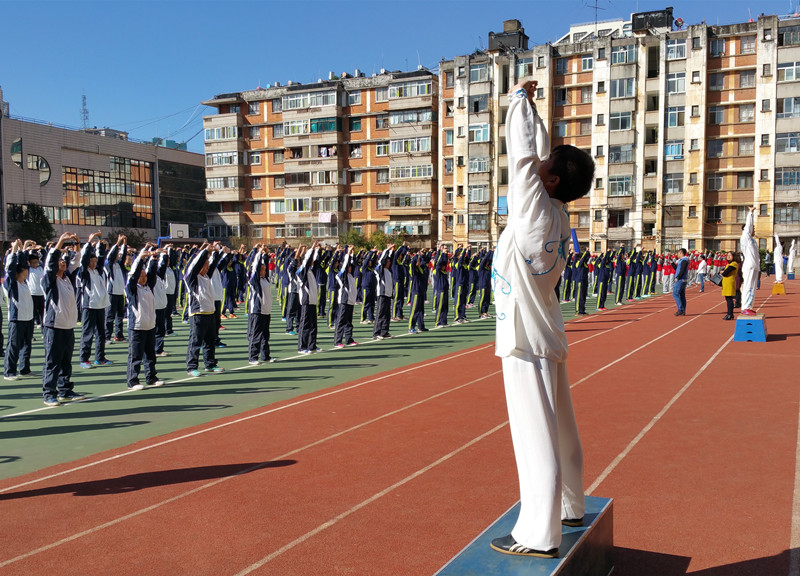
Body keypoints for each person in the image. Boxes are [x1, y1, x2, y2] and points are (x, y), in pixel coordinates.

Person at [491, 80, 593, 558]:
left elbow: (520, 155)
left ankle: (538, 533)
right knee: (562, 427)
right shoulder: (557, 215)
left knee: (534, 435)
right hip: (547, 330)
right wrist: (528, 107)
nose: (537, 163)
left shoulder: (533, 212)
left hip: (524, 337)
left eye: (545, 163)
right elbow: (534, 158)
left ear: (550, 180)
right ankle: (572, 505)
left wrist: (518, 101)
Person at [41, 232, 85, 406]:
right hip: (54, 325)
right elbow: (50, 263)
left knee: (66, 361)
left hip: (68, 326)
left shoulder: (68, 278)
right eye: (60, 261)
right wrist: (60, 242)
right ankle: (49, 393)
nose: (63, 262)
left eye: (64, 261)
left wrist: (76, 243)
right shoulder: (50, 280)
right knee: (53, 361)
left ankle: (65, 390)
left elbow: (76, 262)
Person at [125, 246, 164, 390]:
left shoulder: (148, 286)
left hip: (150, 325)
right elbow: (134, 274)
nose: (143, 277)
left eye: (144, 276)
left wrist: (154, 259)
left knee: (150, 355)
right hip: (137, 327)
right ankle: (132, 380)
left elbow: (152, 274)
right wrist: (141, 258)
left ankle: (151, 377)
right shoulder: (132, 289)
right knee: (135, 356)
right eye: (141, 276)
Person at [184, 243, 224, 377]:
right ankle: (191, 367)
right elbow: (196, 264)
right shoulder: (192, 279)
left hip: (210, 312)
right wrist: (205, 251)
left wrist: (217, 252)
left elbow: (214, 264)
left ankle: (210, 364)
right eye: (204, 265)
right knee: (195, 341)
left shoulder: (207, 276)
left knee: (210, 342)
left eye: (207, 265)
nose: (207, 267)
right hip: (198, 313)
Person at [4, 240, 34, 381]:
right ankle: (9, 372)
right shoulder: (13, 284)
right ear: (19, 273)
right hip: (17, 319)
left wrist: (22, 250)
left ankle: (24, 369)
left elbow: (21, 262)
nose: (27, 271)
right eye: (24, 270)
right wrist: (14, 250)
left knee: (27, 345)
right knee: (14, 346)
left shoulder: (25, 283)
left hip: (28, 318)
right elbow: (10, 269)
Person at [247, 247, 276, 364]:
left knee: (265, 336)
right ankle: (253, 357)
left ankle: (265, 356)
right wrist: (258, 253)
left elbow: (263, 265)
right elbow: (255, 267)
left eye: (265, 270)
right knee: (256, 335)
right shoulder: (254, 280)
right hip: (257, 311)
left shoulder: (265, 279)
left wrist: (266, 254)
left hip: (266, 311)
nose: (264, 271)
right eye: (262, 270)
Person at [740, 207, 759, 315]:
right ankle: (745, 307)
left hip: (754, 266)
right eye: (752, 228)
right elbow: (748, 228)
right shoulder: (745, 238)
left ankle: (749, 306)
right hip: (749, 266)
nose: (753, 230)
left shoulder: (752, 241)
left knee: (752, 287)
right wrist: (750, 213)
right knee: (747, 287)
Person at [720, 252, 738, 320]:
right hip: (726, 283)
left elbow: (725, 272)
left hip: (730, 282)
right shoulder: (729, 264)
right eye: (728, 255)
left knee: (729, 299)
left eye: (730, 255)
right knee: (728, 299)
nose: (728, 256)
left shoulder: (734, 264)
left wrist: (723, 272)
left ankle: (730, 314)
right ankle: (730, 314)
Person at [672, 248, 689, 316]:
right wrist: (671, 263)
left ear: (681, 253)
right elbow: (677, 269)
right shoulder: (682, 260)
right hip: (683, 280)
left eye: (678, 253)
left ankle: (680, 309)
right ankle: (683, 310)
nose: (677, 254)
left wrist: (678, 277)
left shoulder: (684, 260)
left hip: (680, 280)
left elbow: (682, 270)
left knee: (675, 294)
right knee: (681, 295)